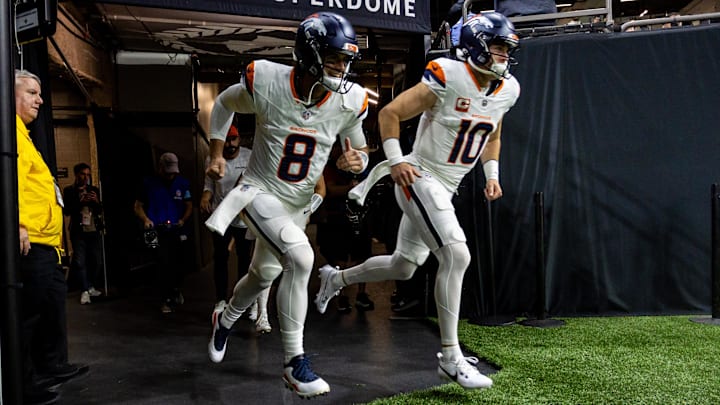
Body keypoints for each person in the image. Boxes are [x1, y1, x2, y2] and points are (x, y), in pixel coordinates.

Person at [314, 13, 521, 390]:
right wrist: (394, 162)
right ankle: (450, 356)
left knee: (405, 266)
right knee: (457, 255)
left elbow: (492, 136)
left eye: (508, 48)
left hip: (447, 185)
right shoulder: (449, 75)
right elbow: (389, 113)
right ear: (476, 46)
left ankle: (336, 278)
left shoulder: (507, 89)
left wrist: (492, 177)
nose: (505, 55)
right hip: (419, 175)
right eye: (498, 46)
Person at [204, 12, 370, 398]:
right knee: (302, 257)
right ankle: (294, 362)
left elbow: (358, 145)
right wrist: (215, 153)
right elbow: (224, 104)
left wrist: (357, 160)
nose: (340, 68)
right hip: (260, 190)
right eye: (333, 58)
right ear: (308, 53)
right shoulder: (267, 80)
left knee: (263, 274)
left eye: (345, 60)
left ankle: (225, 317)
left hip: (299, 202)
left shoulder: (348, 101)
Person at [16, 69, 89, 404]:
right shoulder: (10, 133)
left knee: (50, 308)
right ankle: (23, 383)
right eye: (32, 93)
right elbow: (10, 181)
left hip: (48, 245)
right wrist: (17, 224)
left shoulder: (25, 135)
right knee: (28, 315)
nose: (40, 100)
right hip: (30, 241)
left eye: (40, 93)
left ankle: (51, 365)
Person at [200, 124, 271, 334]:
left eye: (233, 140)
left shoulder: (249, 157)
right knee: (220, 258)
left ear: (239, 139)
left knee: (245, 261)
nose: (230, 145)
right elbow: (209, 185)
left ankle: (243, 301)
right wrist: (205, 196)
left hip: (244, 218)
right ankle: (221, 299)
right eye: (227, 140)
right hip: (222, 216)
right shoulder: (213, 159)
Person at [315, 141, 374, 313]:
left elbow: (369, 184)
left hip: (361, 216)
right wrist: (349, 188)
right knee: (339, 259)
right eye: (338, 147)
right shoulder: (328, 166)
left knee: (363, 256)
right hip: (337, 217)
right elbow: (329, 189)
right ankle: (341, 295)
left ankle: (362, 294)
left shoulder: (361, 164)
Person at [133, 152, 193, 313]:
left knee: (178, 263)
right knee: (161, 263)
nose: (170, 175)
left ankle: (175, 289)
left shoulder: (183, 183)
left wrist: (183, 220)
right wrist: (146, 219)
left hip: (176, 228)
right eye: (167, 172)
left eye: (173, 172)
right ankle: (165, 298)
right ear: (160, 168)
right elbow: (137, 206)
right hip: (155, 230)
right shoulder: (148, 184)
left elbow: (189, 205)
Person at [63, 163, 104, 305]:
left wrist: (96, 201)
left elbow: (100, 210)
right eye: (82, 174)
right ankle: (84, 290)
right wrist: (80, 202)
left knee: (96, 261)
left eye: (88, 175)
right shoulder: (69, 191)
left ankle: (91, 285)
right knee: (80, 261)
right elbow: (67, 211)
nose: (85, 177)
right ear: (76, 174)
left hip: (93, 229)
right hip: (78, 231)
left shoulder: (93, 190)